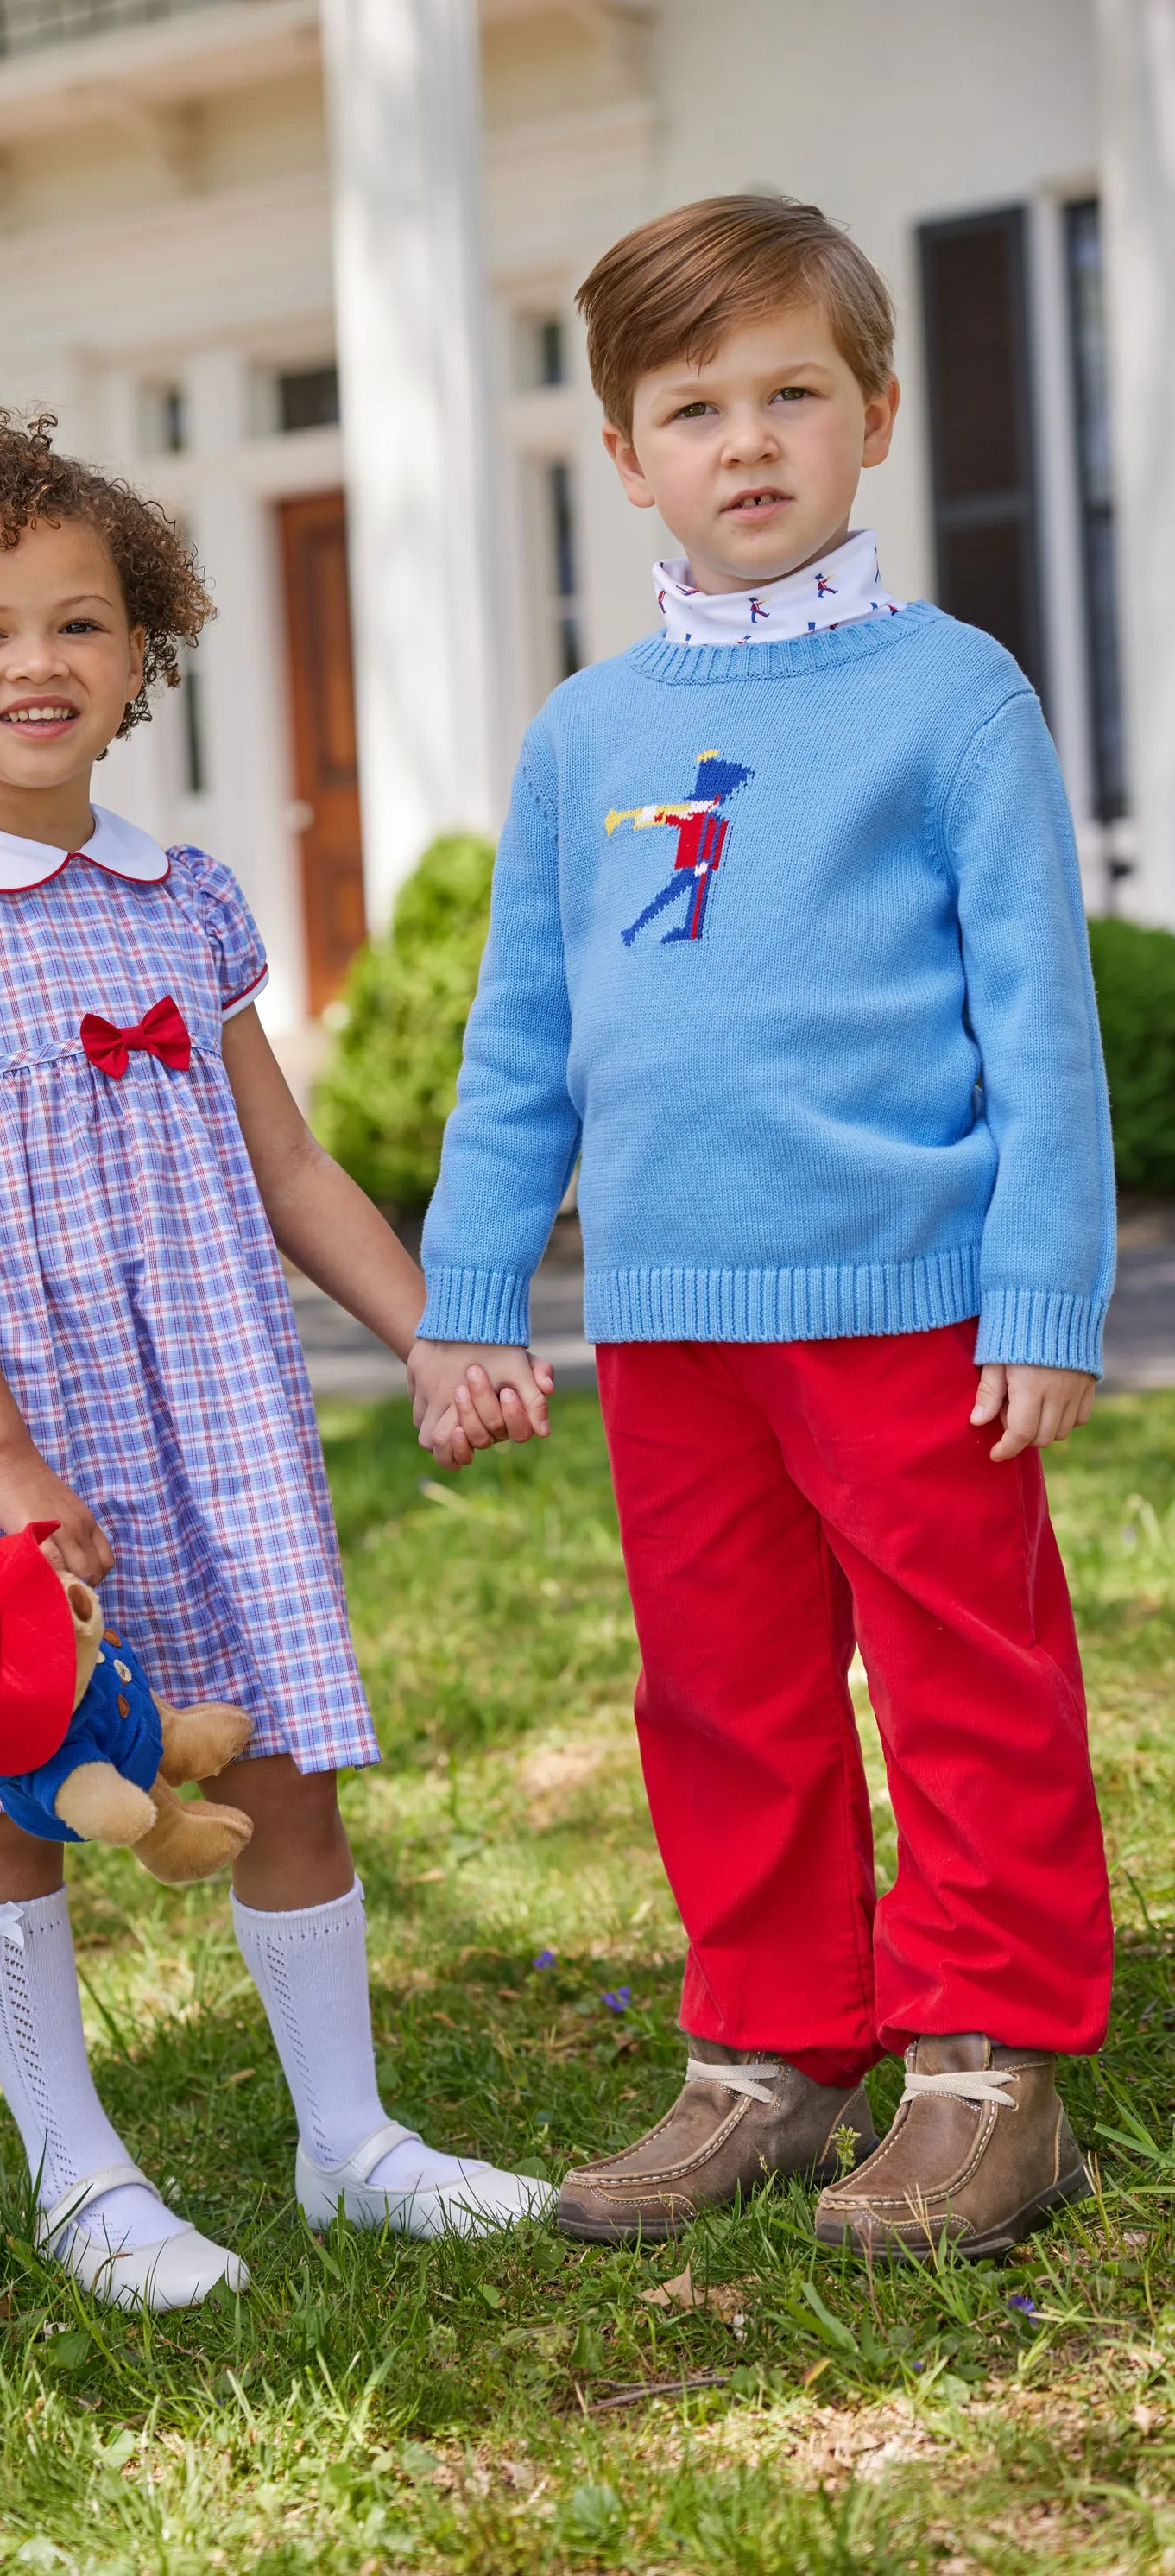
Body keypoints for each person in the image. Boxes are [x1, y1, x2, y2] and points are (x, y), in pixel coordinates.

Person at [0, 392, 550, 2313]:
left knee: (285, 1754)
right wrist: (4, 1463)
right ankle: (76, 2168)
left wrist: (433, 1332)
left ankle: (347, 2140)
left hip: (201, 1394)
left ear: (142, 654)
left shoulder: (183, 896)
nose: (35, 662)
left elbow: (282, 1160)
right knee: (11, 1781)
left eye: (79, 622)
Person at [407, 198, 1115, 2262]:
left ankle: (986, 2064)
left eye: (789, 392)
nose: (745, 441)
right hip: (667, 1322)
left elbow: (1035, 1022)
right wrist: (469, 1292)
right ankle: (767, 2051)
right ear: (621, 453)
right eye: (690, 405)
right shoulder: (583, 734)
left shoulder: (948, 695)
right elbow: (518, 1035)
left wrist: (1039, 1286)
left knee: (960, 1673)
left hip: (905, 1302)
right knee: (723, 1690)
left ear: (873, 415)